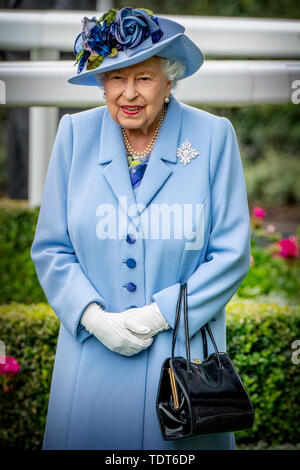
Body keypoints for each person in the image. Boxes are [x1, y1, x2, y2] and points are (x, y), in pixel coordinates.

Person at [30, 6, 251, 450]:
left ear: (169, 80)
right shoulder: (74, 135)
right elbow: (51, 248)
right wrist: (92, 317)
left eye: (144, 78)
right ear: (101, 82)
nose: (128, 93)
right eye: (116, 77)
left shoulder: (211, 137)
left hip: (179, 367)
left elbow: (231, 254)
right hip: (92, 360)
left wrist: (159, 315)